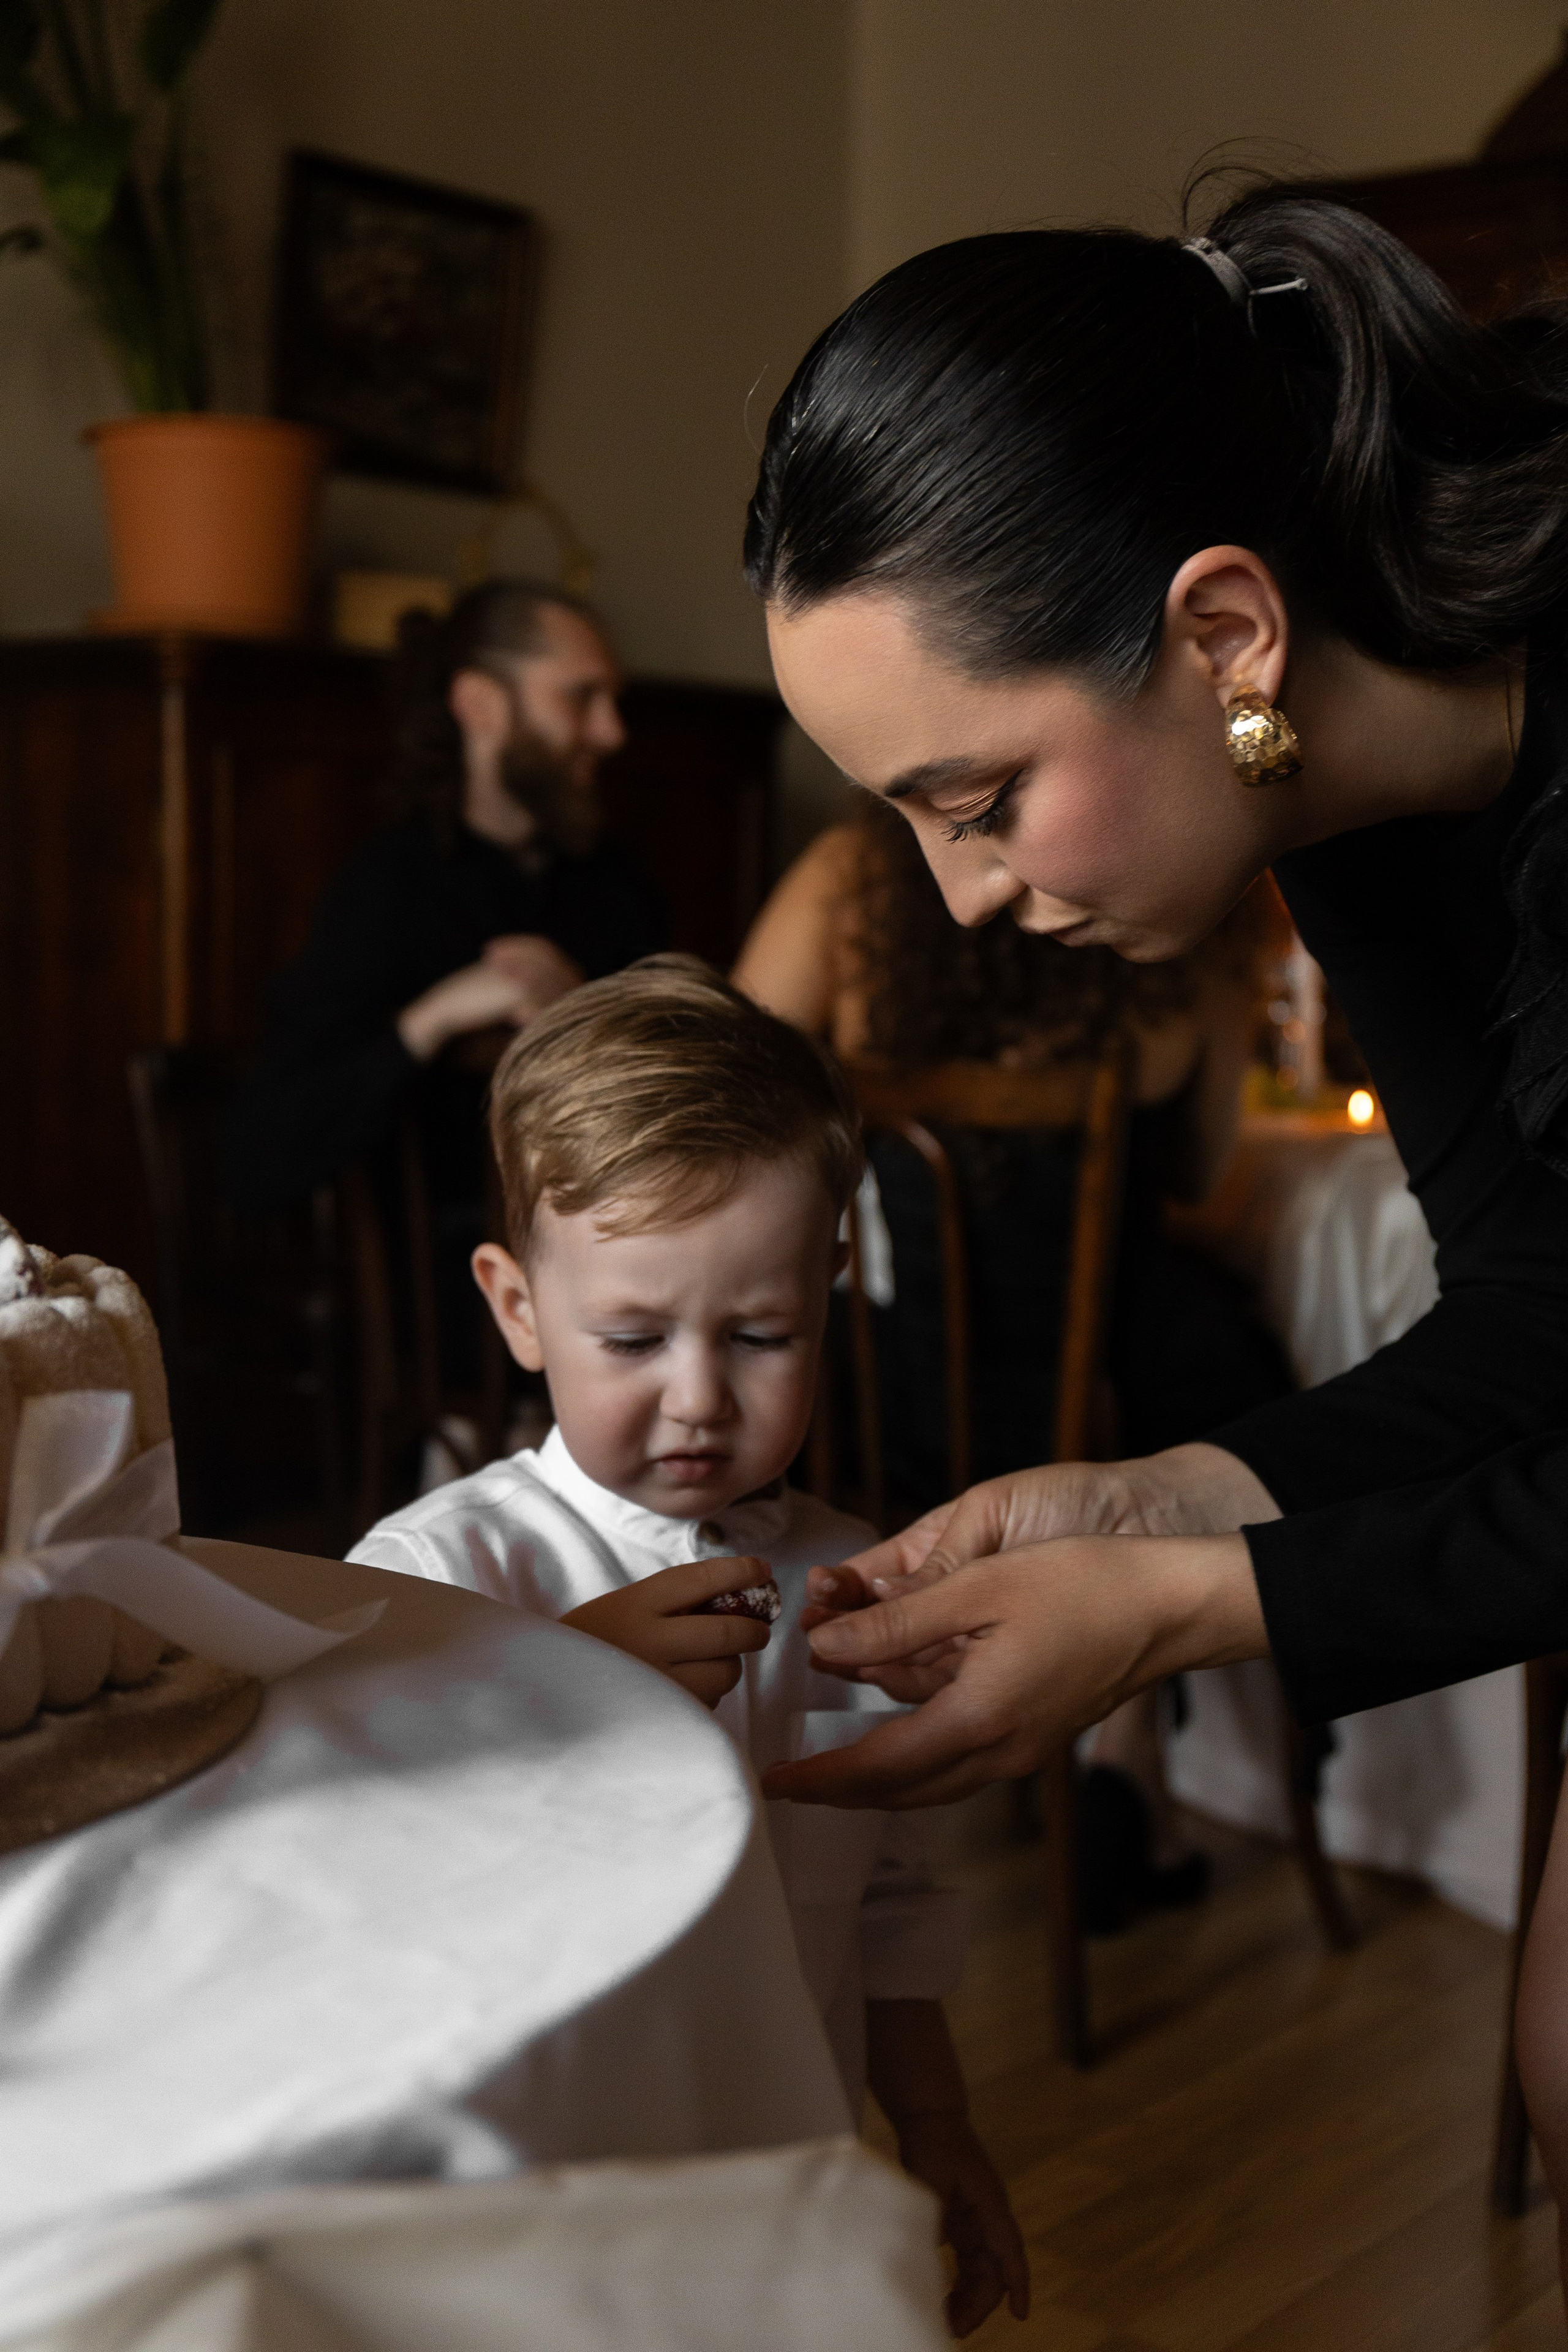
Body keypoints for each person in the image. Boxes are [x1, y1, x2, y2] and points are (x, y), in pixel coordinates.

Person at [736, 190, 1568, 2259]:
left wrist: (1199, 1613)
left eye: (982, 800)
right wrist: (1161, 1504)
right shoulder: (1342, 814)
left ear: (1223, 636)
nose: (966, 901)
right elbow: (1546, 1324)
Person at [346, 956, 1028, 2338]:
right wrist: (554, 1683)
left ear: (830, 1293)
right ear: (519, 1306)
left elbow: (885, 1901)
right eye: (634, 1336)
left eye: (764, 1333)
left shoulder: (846, 1580)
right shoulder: (437, 1580)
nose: (699, 1398)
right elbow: (357, 1876)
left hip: (786, 2182)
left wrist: (938, 2125)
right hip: (540, 2228)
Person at [734, 794, 1292, 1923]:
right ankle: (1124, 1755)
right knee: (1187, 1366)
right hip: (1106, 1393)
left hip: (895, 1395)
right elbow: (1206, 1170)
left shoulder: (852, 875)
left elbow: (732, 1082)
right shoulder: (1183, 890)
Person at [227, 578, 666, 1384]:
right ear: (481, 704)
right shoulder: (385, 890)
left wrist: (582, 1016)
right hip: (431, 1325)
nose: (612, 731)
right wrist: (428, 1022)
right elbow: (262, 1154)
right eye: (582, 698)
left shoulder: (615, 885)